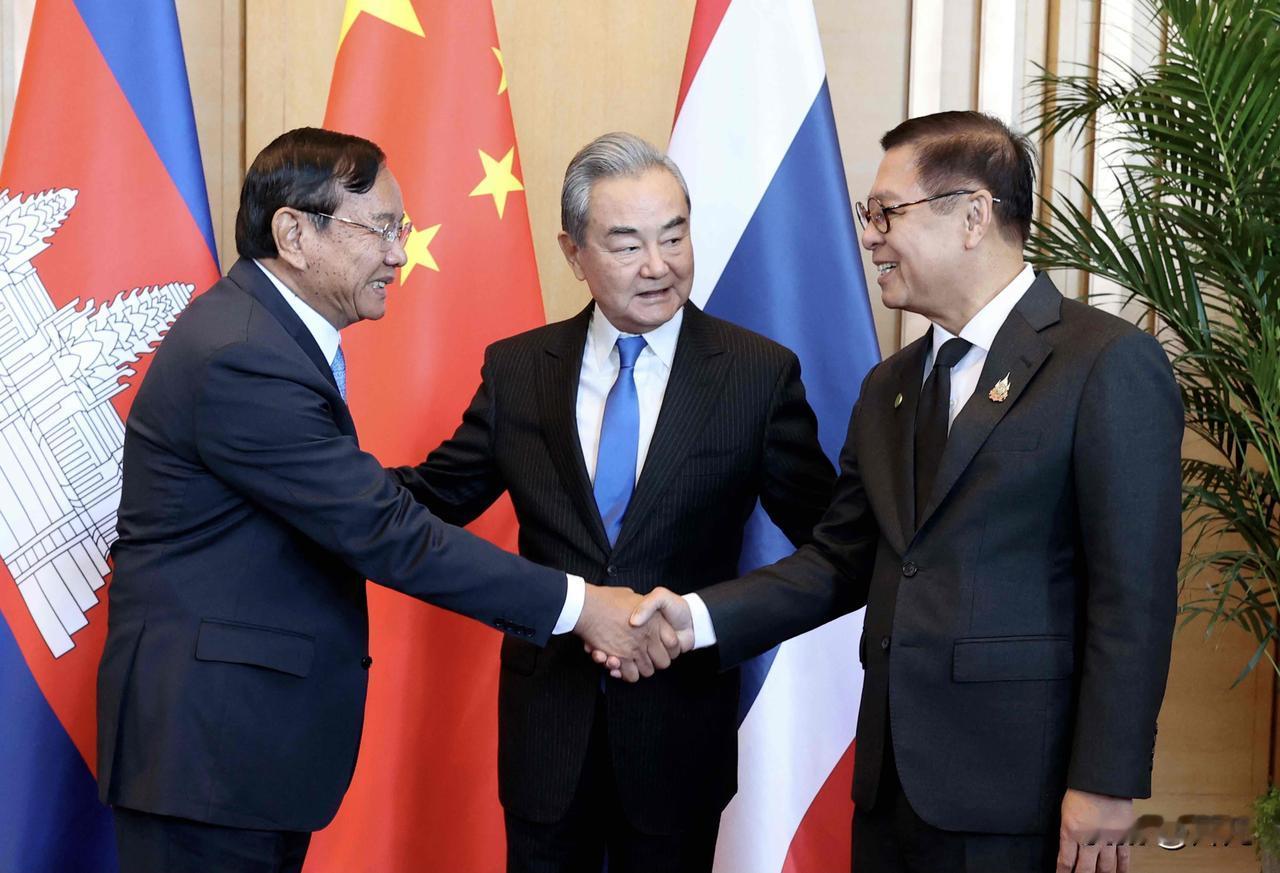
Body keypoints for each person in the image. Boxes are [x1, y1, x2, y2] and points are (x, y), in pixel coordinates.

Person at [96, 127, 672, 873]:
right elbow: (382, 531)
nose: (400, 254)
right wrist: (581, 605)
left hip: (233, 755)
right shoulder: (244, 355)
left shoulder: (261, 335)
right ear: (294, 234)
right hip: (206, 757)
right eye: (382, 229)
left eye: (401, 229)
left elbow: (352, 504)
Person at [630, 111, 1183, 873]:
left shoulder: (1105, 362)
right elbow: (839, 560)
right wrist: (693, 617)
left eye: (887, 213)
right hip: (892, 791)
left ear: (972, 216)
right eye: (869, 214)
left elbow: (1135, 597)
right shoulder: (889, 385)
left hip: (1023, 791)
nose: (869, 236)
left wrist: (1106, 781)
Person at [390, 131, 835, 873]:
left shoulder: (757, 375)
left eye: (675, 236)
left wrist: (705, 619)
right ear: (574, 253)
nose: (659, 265)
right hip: (547, 730)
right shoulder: (519, 370)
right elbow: (434, 497)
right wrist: (315, 480)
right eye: (627, 244)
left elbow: (831, 540)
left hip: (678, 728)